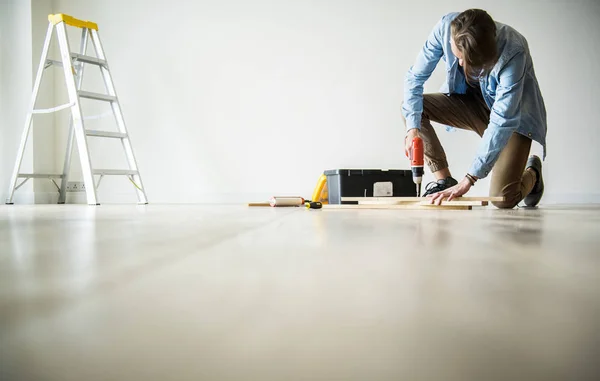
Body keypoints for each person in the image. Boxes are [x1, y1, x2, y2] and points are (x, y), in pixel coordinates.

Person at [402, 9, 547, 208]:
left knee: (503, 199)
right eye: (455, 56)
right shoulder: (446, 28)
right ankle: (444, 182)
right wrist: (412, 129)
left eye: (465, 60)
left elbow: (502, 120)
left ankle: (533, 173)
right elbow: (414, 79)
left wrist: (468, 179)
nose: (459, 63)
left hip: (513, 120)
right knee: (412, 109)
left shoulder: (514, 51)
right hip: (472, 104)